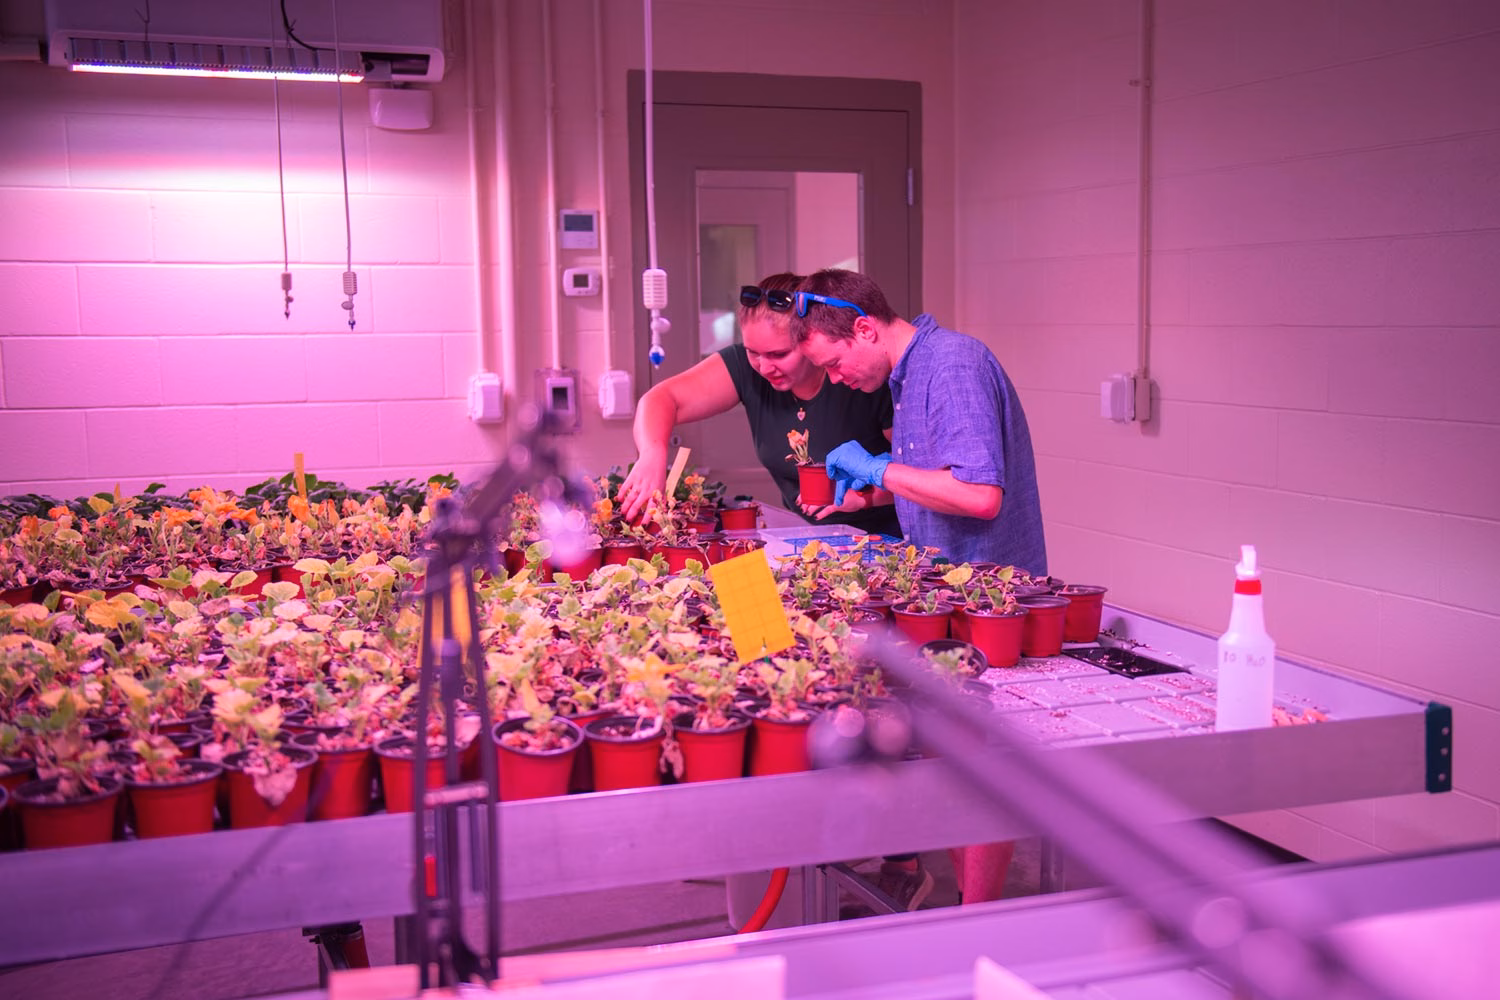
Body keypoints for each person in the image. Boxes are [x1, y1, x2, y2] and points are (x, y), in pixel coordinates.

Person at [791, 267, 1047, 908]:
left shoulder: (952, 365)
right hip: (946, 597)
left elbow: (981, 496)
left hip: (988, 600)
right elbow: (938, 481)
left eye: (835, 363)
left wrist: (881, 464)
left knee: (979, 773)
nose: (836, 379)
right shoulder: (910, 375)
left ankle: (977, 922)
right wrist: (873, 491)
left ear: (865, 328)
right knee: (947, 766)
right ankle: (966, 907)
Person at [617, 272, 900, 538]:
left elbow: (917, 478)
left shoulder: (862, 377)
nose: (764, 367)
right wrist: (652, 454)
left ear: (811, 338)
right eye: (753, 353)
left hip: (884, 541)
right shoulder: (747, 368)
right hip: (807, 540)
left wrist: (864, 499)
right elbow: (661, 399)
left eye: (779, 354)